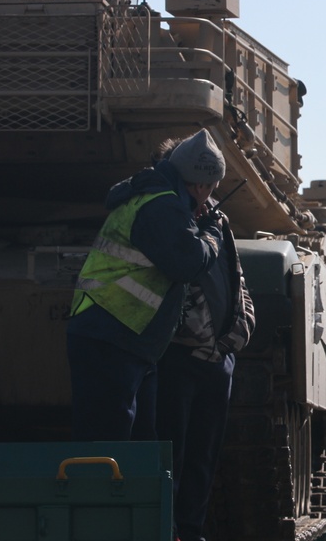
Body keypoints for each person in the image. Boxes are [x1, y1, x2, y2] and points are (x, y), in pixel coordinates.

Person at [66, 129, 225, 442]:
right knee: (107, 438)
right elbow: (188, 262)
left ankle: (122, 490)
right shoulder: (162, 207)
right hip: (112, 332)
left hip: (122, 334)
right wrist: (210, 233)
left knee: (136, 438)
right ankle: (99, 491)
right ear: (203, 184)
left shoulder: (152, 196)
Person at [155, 136, 256, 541]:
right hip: (178, 355)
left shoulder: (217, 218)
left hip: (217, 358)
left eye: (212, 184)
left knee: (202, 457)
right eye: (202, 183)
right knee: (171, 455)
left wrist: (238, 331)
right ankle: (170, 533)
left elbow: (234, 281)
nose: (207, 192)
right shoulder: (167, 213)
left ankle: (191, 533)